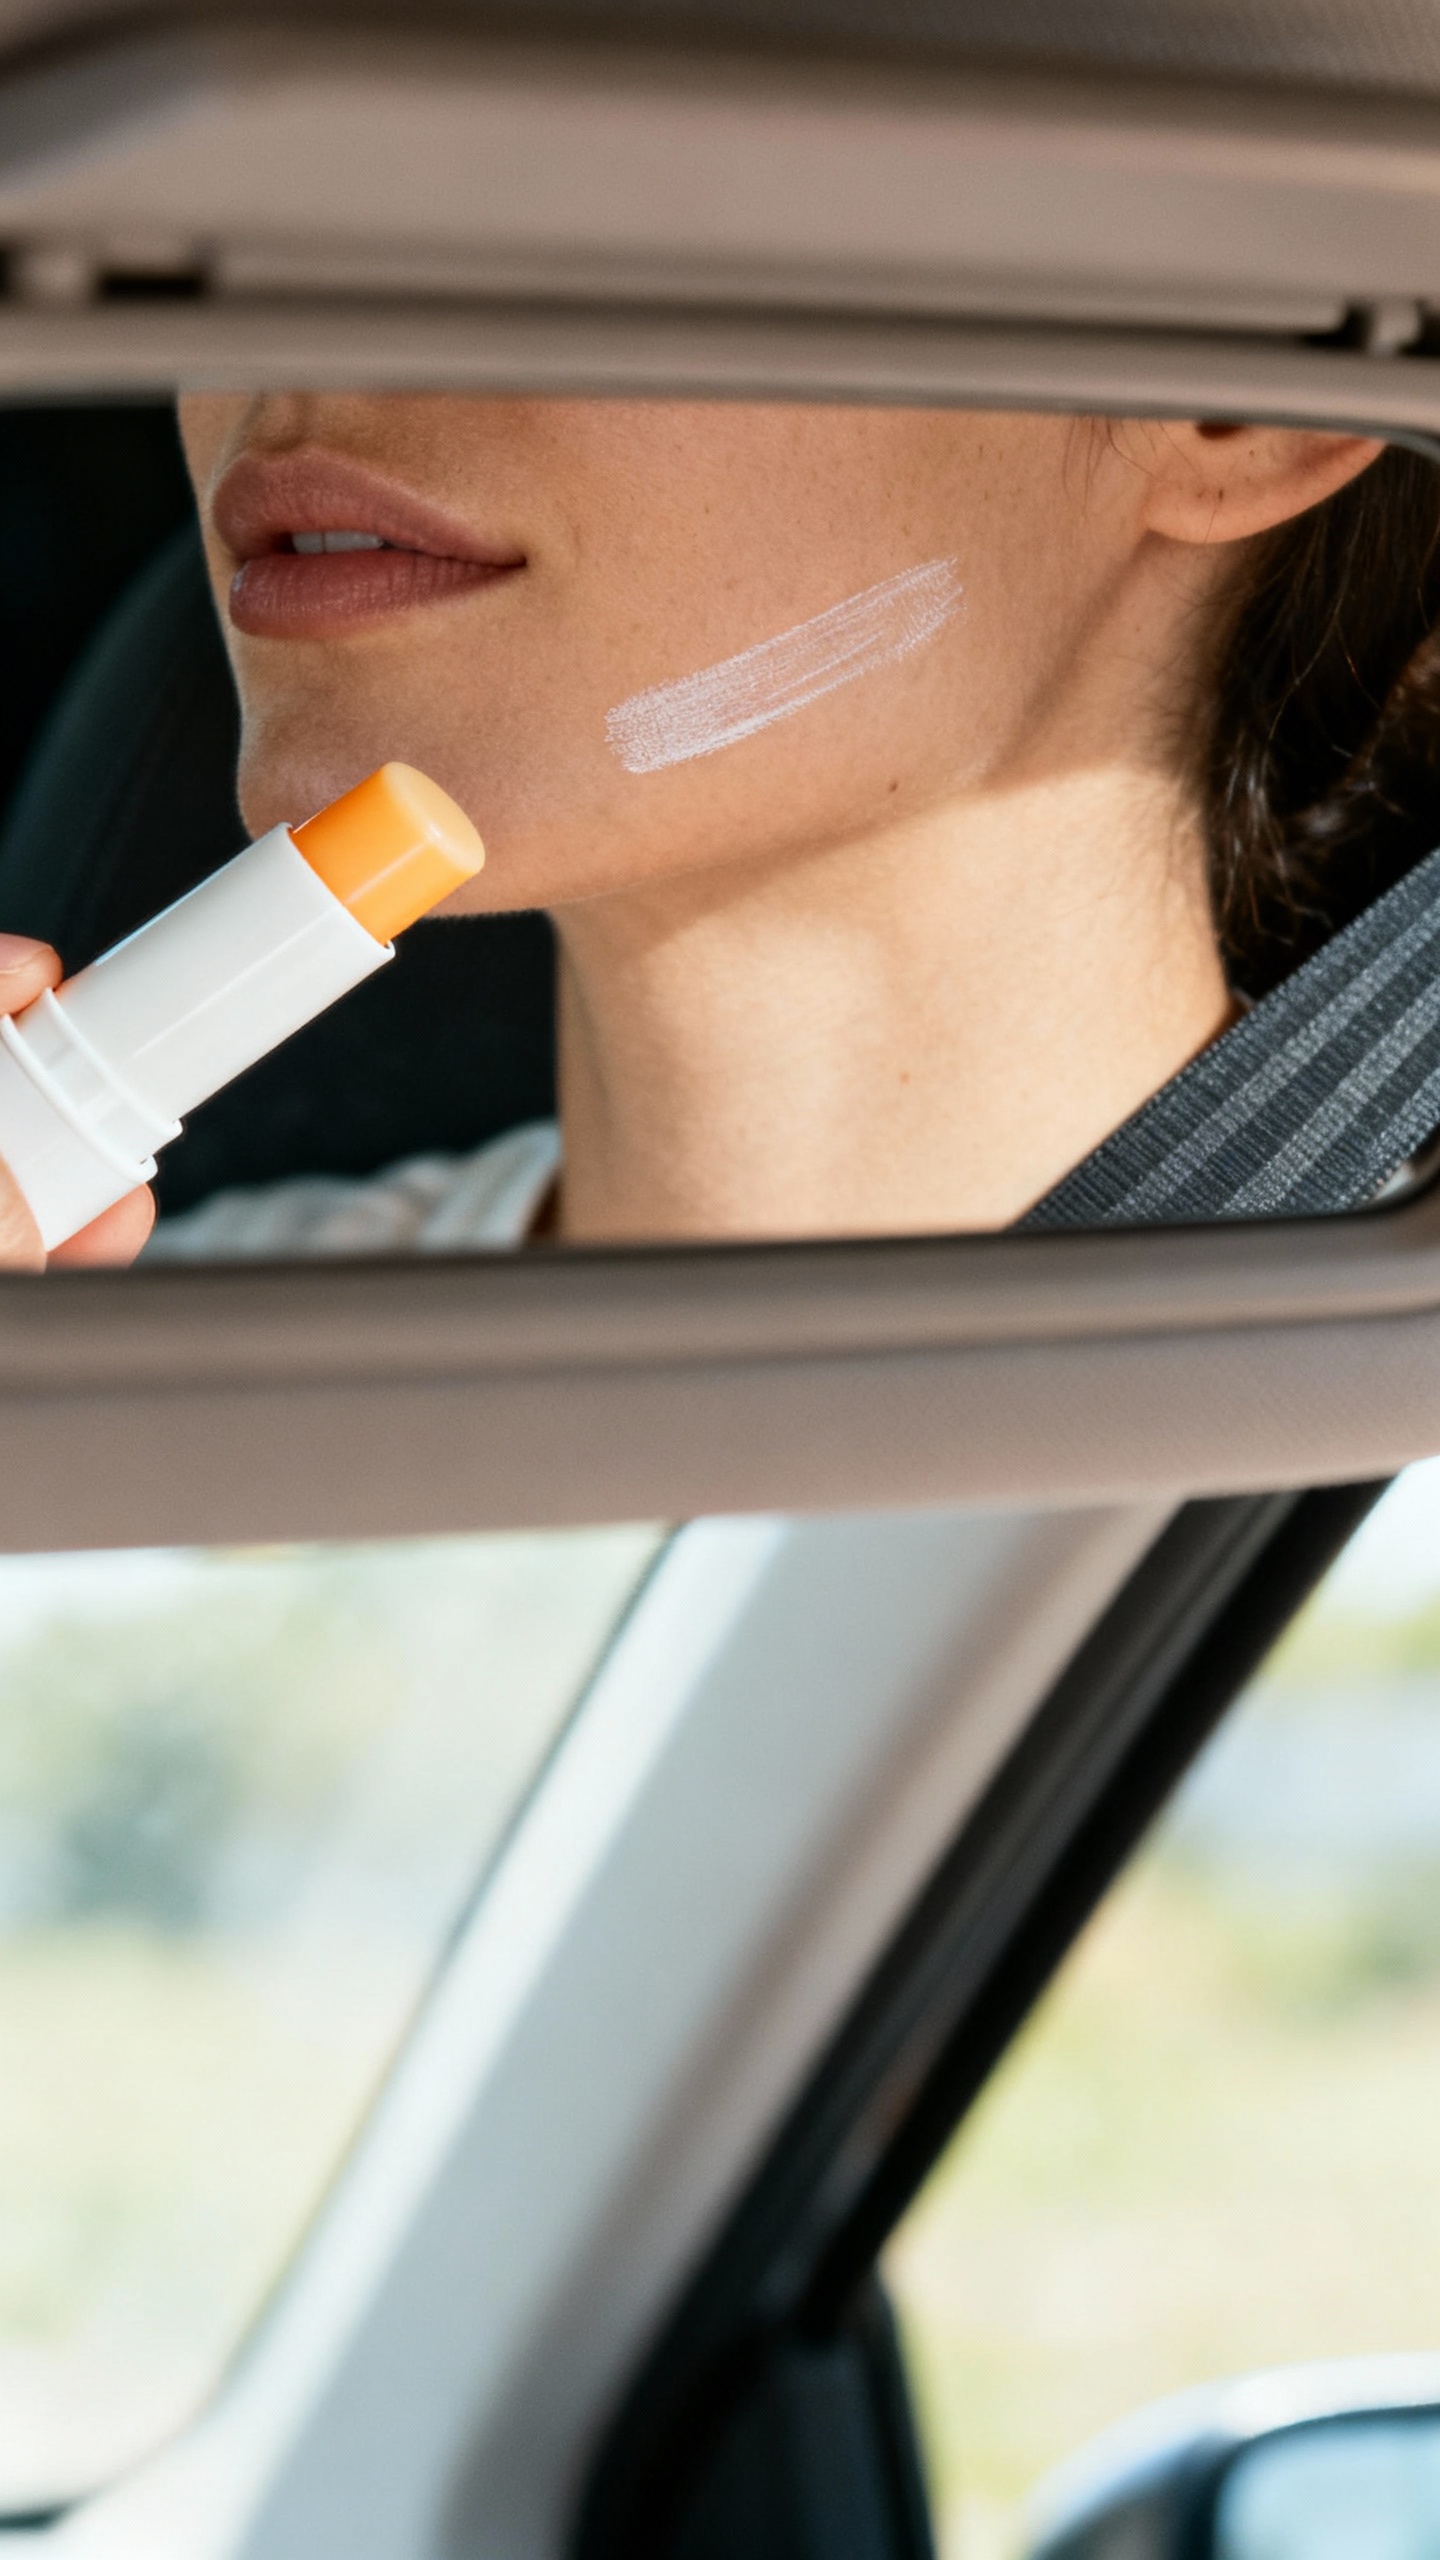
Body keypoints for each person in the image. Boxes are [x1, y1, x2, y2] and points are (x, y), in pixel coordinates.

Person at [0, 395, 1430, 1263]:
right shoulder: (117, 1373)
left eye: (577, 184)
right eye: (237, 204)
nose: (293, 320)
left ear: (1228, 402)